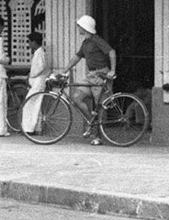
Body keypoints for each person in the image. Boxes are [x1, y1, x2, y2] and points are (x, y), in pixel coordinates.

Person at [58, 15, 116, 145]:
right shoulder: (85, 42)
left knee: (100, 106)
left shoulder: (96, 40)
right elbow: (77, 57)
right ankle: (92, 122)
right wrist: (64, 70)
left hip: (101, 74)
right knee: (76, 97)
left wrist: (112, 70)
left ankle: (98, 136)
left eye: (79, 26)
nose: (78, 28)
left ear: (85, 27)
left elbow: (111, 52)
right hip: (90, 75)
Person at [21, 31, 50, 134]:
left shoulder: (40, 53)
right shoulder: (40, 52)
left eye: (29, 42)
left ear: (34, 42)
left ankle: (28, 129)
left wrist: (31, 74)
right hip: (38, 81)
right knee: (36, 105)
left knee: (29, 104)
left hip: (38, 81)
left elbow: (40, 67)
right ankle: (36, 128)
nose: (29, 44)